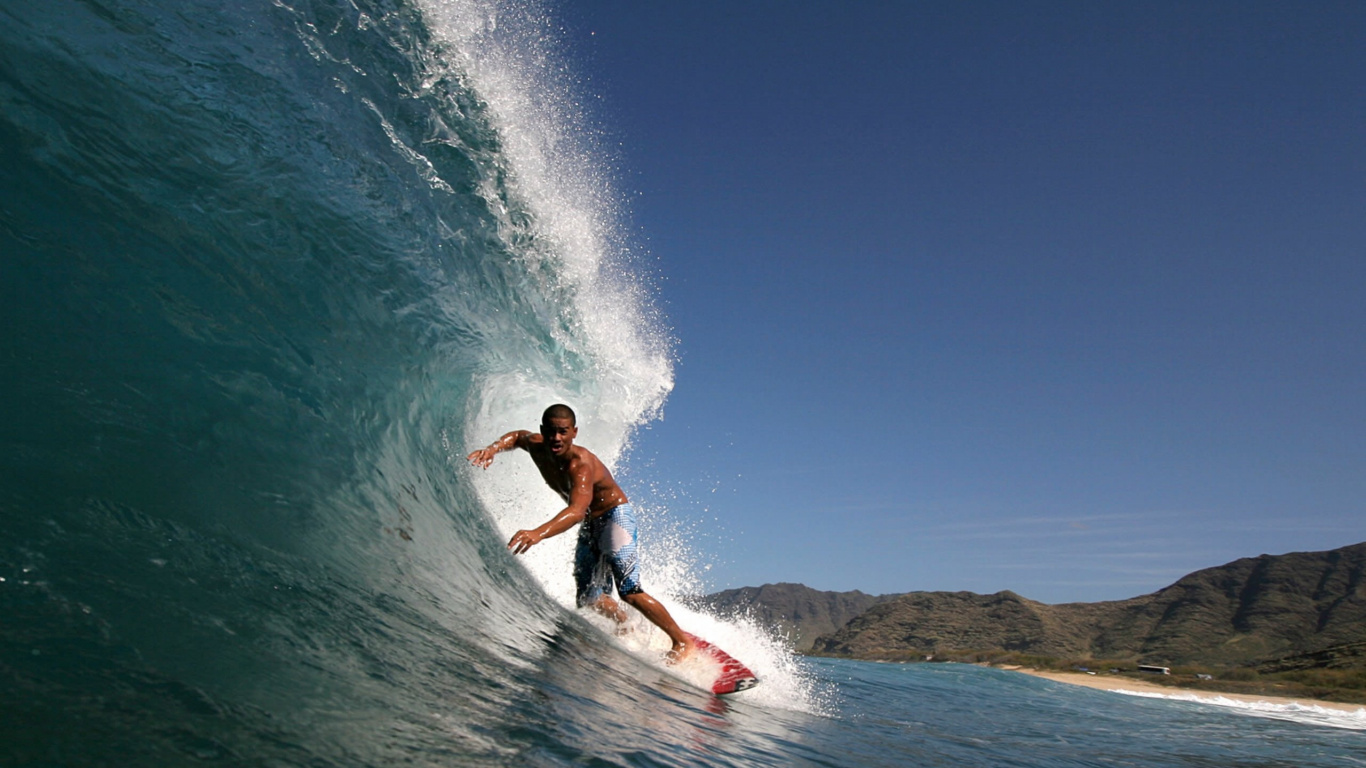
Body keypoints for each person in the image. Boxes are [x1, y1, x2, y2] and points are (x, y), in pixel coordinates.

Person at [467, 404, 696, 662]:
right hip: (591, 523)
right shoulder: (536, 444)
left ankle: (682, 642)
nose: (556, 438)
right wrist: (494, 448)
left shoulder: (580, 465)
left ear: (574, 432)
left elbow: (576, 511)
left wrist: (538, 533)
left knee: (629, 590)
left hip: (614, 516)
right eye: (551, 431)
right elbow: (518, 436)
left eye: (563, 432)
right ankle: (625, 623)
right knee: (589, 597)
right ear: (543, 431)